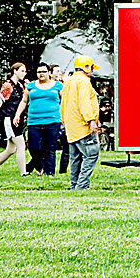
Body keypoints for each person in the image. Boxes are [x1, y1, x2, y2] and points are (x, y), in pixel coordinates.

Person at [60, 56, 103, 190]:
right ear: (86, 67)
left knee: (75, 159)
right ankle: (82, 186)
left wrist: (63, 121)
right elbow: (84, 102)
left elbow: (63, 103)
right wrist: (91, 120)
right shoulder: (83, 81)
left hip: (72, 128)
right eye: (91, 67)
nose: (92, 71)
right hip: (83, 127)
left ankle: (74, 186)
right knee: (91, 154)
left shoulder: (68, 81)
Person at [22, 63, 65, 177]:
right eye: (39, 72)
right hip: (34, 121)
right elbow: (24, 101)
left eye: (44, 72)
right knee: (33, 147)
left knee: (49, 148)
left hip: (53, 121)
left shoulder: (58, 86)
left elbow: (64, 101)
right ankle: (39, 165)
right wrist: (17, 115)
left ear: (49, 73)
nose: (41, 74)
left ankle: (49, 173)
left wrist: (63, 117)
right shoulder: (31, 86)